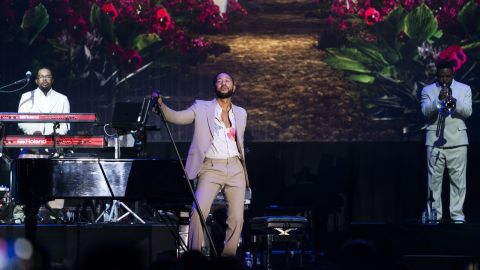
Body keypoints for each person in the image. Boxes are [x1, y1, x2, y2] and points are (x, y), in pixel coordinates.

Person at [155, 72, 249, 256]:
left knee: (237, 218)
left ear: (233, 87)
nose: (223, 83)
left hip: (236, 168)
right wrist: (161, 106)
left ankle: (227, 260)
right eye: (219, 81)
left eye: (227, 81)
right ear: (215, 86)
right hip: (211, 168)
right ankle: (194, 258)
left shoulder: (241, 113)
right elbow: (177, 117)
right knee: (197, 214)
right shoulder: (201, 107)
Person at [420, 60, 472, 223]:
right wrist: (437, 101)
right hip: (435, 142)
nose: (444, 80)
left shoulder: (464, 89)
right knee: (433, 183)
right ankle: (434, 216)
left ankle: (457, 216)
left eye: (447, 76)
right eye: (441, 76)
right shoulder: (427, 90)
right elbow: (425, 112)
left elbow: (468, 112)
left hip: (457, 141)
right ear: (437, 75)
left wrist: (453, 100)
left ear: (452, 75)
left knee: (458, 182)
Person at [17, 67, 70, 211]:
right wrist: (34, 132)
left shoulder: (62, 98)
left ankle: (54, 214)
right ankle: (26, 210)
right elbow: (21, 121)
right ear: (36, 80)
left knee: (54, 184)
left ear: (52, 80)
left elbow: (66, 124)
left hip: (54, 146)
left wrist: (55, 134)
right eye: (41, 76)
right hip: (32, 145)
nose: (44, 79)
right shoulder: (26, 96)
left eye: (47, 76)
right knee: (29, 182)